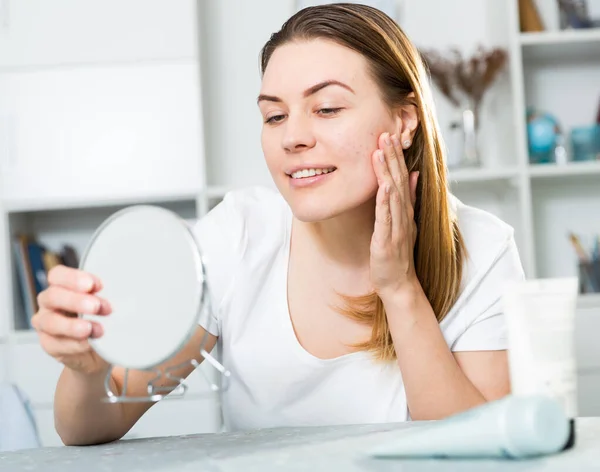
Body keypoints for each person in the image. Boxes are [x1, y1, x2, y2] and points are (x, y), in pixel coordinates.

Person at [31, 3, 525, 446]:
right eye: (274, 116)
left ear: (403, 121)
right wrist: (88, 370)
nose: (292, 137)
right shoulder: (239, 237)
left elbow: (479, 448)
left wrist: (399, 288)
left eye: (326, 108)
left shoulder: (482, 249)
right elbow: (86, 428)